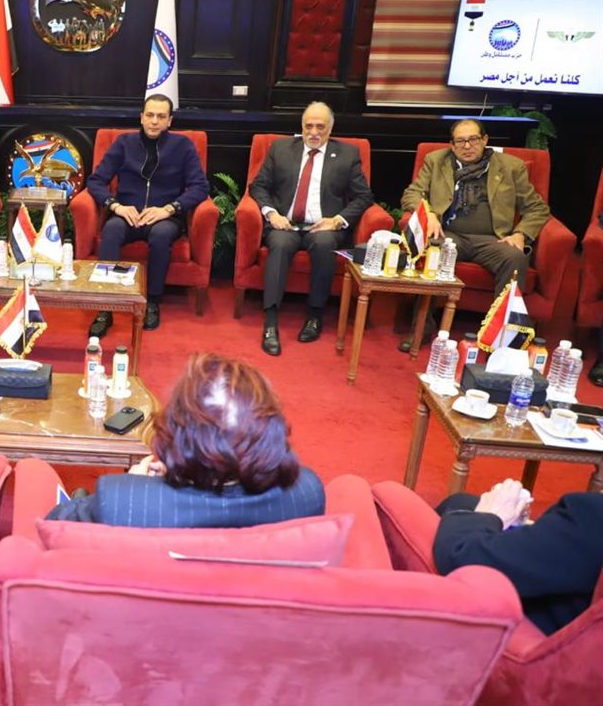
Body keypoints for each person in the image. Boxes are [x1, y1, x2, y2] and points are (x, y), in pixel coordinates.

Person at [46, 353, 324, 527]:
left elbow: (55, 523)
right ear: (270, 433)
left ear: (177, 438)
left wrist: (138, 485)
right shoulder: (307, 493)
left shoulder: (121, 500)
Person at [400, 118, 551, 352]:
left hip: (493, 239)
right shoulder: (436, 161)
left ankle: (503, 340)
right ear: (452, 145)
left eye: (473, 139)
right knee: (431, 251)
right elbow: (412, 194)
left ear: (485, 140)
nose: (467, 146)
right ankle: (422, 327)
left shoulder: (511, 166)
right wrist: (427, 214)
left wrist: (521, 234)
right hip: (449, 235)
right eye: (460, 141)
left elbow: (537, 208)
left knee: (515, 258)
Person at [249, 101, 374, 356]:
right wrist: (272, 214)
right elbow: (258, 186)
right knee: (279, 245)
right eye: (309, 126)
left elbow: (364, 197)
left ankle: (315, 316)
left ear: (330, 129)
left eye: (320, 127)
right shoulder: (281, 148)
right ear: (302, 127)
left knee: (325, 244)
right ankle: (270, 322)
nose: (314, 132)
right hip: (286, 224)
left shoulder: (348, 154)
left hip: (324, 226)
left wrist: (337, 219)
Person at [85, 94, 210, 336]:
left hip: (165, 217)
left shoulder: (183, 146)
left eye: (161, 116)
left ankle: (152, 301)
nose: (154, 121)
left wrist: (170, 208)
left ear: (169, 121)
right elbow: (96, 181)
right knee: (111, 229)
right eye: (150, 115)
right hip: (127, 214)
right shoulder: (124, 143)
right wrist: (115, 206)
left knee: (161, 235)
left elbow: (200, 187)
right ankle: (105, 307)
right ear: (141, 117)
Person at [433, 478, 603, 635]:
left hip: (523, 635)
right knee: (465, 501)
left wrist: (489, 516)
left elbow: (461, 556)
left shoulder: (591, 516)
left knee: (457, 505)